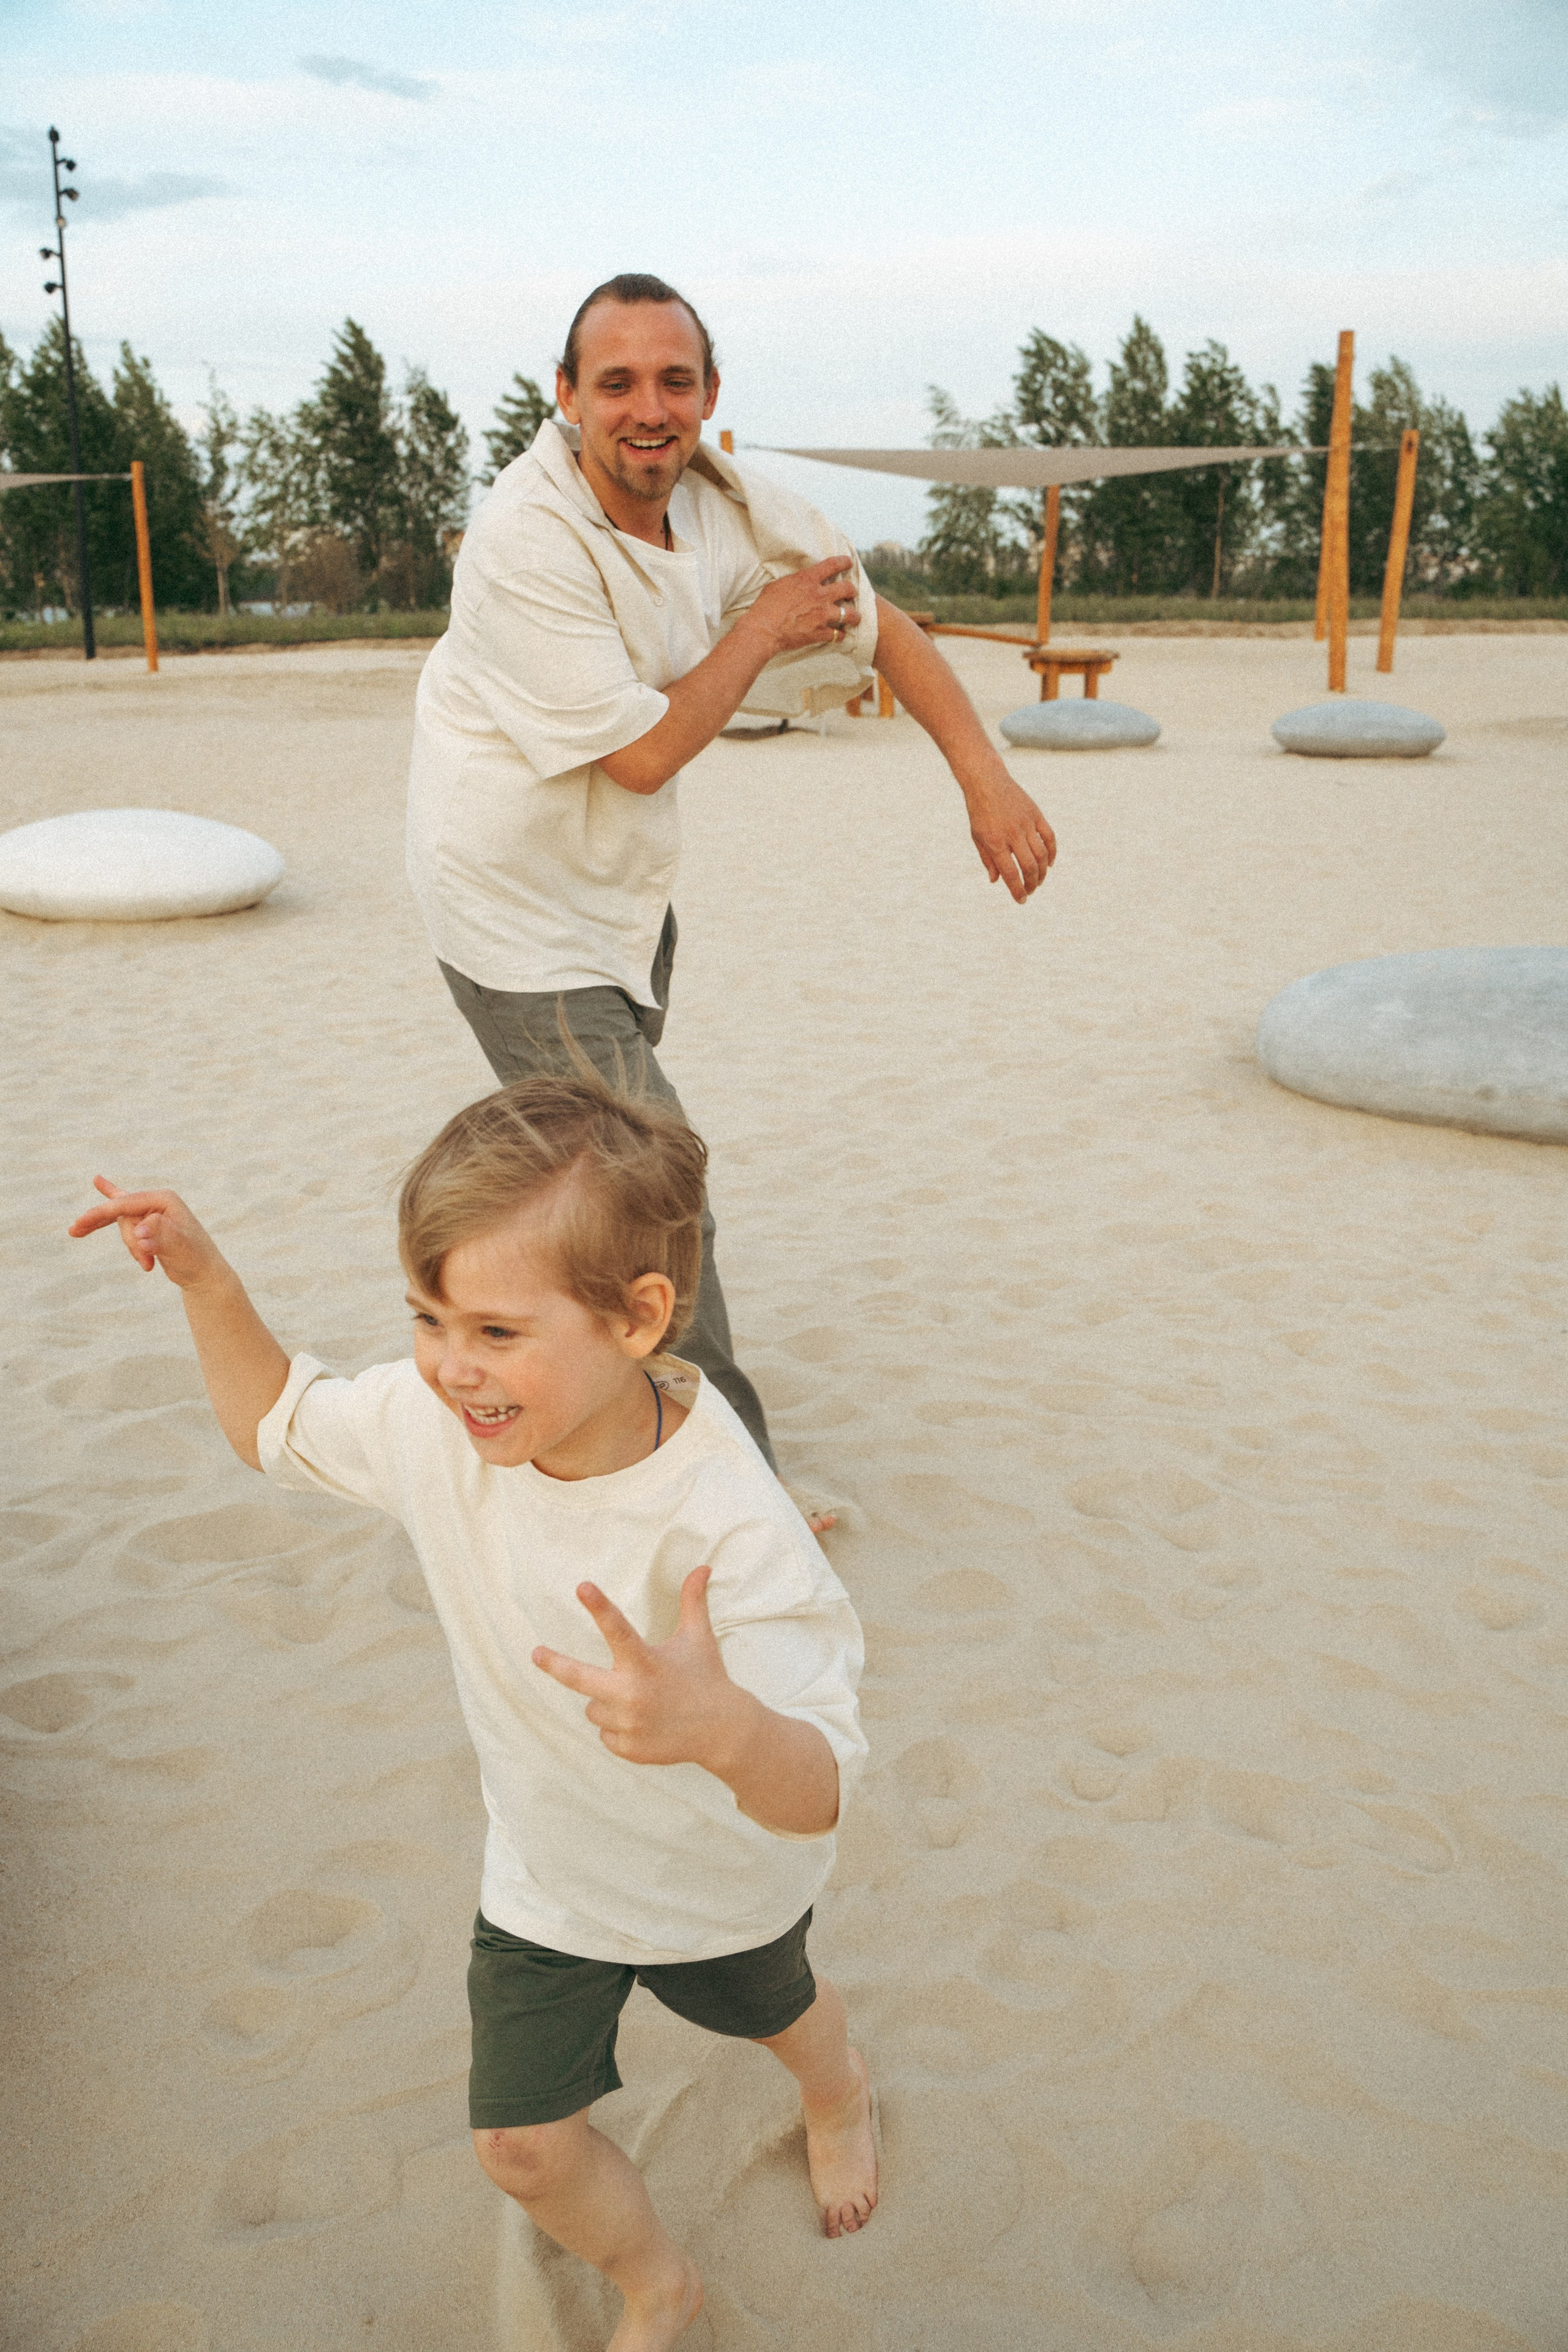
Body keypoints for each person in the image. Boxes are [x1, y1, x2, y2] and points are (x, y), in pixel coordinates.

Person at [69, 1070, 874, 2352]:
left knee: (782, 2014)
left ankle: (838, 2102)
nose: (452, 1366)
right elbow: (273, 1422)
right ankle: (657, 2280)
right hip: (548, 1874)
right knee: (518, 2148)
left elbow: (820, 1783)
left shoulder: (732, 1524)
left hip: (715, 1876)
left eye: (496, 1331)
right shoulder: (438, 1419)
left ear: (637, 1318)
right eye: (426, 1317)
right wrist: (211, 1286)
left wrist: (719, 1729)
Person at [408, 270, 1057, 1488]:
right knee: (657, 1188)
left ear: (708, 394)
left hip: (618, 894)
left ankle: (542, 1387)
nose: (645, 408)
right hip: (510, 906)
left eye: (673, 380)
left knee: (586, 1175)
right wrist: (756, 633)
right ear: (566, 398)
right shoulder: (522, 539)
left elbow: (885, 629)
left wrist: (986, 779)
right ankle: (724, 1480)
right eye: (615, 383)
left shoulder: (733, 504)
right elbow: (648, 751)